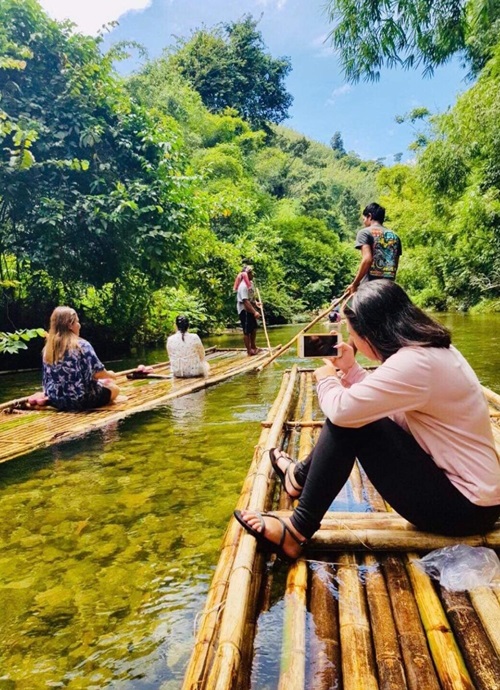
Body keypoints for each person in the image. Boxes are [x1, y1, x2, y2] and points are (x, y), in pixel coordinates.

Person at [235, 281, 500, 561]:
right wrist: (350, 370)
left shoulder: (415, 363)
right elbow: (387, 404)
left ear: (370, 333)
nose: (351, 342)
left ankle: (297, 529)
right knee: (357, 415)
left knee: (349, 421)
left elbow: (342, 412)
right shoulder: (429, 351)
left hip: (464, 509)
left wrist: (326, 380)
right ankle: (298, 477)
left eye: (352, 334)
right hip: (476, 499)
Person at [42, 306, 120, 411]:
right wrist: (111, 374)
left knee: (101, 385)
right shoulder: (82, 345)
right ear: (70, 325)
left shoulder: (48, 348)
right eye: (77, 322)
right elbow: (98, 374)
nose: (79, 325)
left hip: (55, 401)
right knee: (115, 389)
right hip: (79, 401)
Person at [346, 202, 402, 295]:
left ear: (369, 216)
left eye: (364, 219)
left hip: (369, 288)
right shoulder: (395, 237)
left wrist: (355, 284)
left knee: (340, 308)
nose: (364, 222)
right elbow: (394, 265)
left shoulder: (364, 233)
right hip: (388, 287)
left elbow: (367, 259)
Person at [236, 265, 261, 356]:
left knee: (254, 328)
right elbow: (245, 301)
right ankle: (249, 350)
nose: (253, 274)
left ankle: (254, 346)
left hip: (250, 308)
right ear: (247, 274)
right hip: (244, 310)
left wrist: (256, 303)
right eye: (251, 273)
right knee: (247, 331)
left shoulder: (250, 284)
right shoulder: (243, 286)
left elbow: (251, 297)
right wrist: (254, 312)